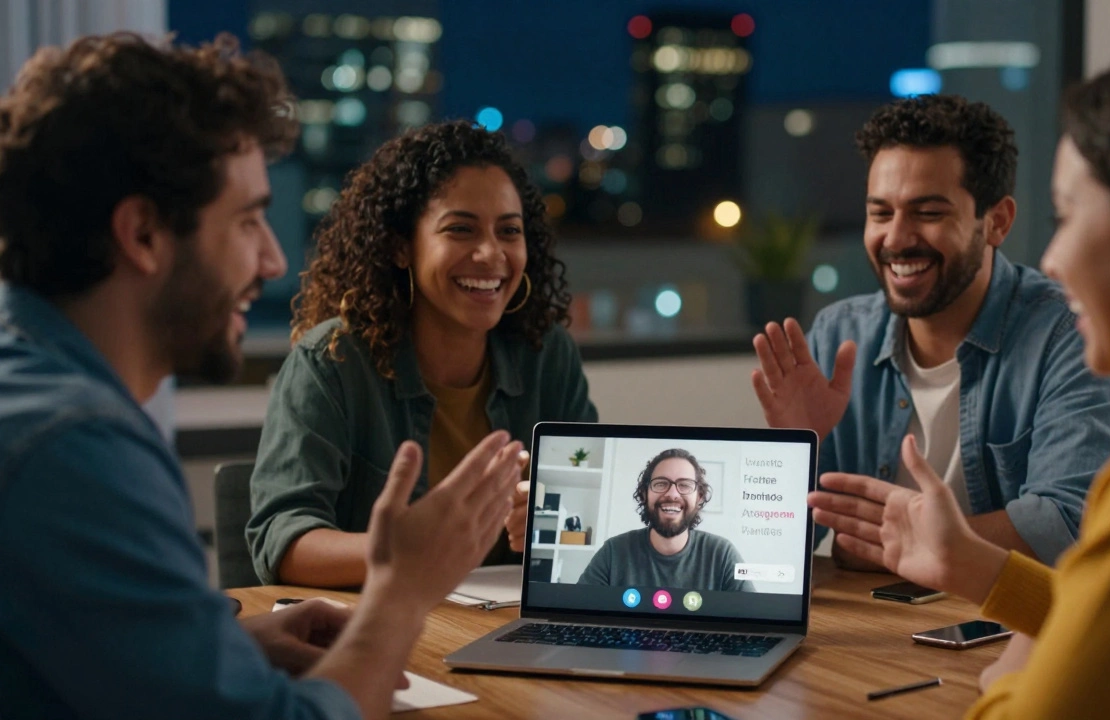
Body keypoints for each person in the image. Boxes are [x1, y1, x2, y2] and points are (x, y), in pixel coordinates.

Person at [0, 33, 524, 720]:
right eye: (248, 221)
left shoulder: (34, 395)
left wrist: (229, 641)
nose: (274, 261)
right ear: (143, 234)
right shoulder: (76, 448)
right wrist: (401, 591)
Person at [810, 34, 1110, 718]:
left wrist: (1013, 669)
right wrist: (978, 568)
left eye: (1068, 215)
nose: (1052, 259)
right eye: (881, 211)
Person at [751, 95, 1110, 567]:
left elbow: (1068, 524)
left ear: (996, 221)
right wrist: (793, 453)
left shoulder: (1071, 332)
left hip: (1013, 625)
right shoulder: (838, 335)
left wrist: (909, 544)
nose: (895, 238)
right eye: (880, 213)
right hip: (871, 628)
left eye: (928, 213)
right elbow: (774, 558)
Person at [246, 120, 597, 587]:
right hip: (374, 633)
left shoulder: (545, 353)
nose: (491, 254)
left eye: (509, 231)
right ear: (400, 247)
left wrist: (560, 520)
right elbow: (281, 542)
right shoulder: (332, 361)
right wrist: (404, 547)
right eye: (461, 230)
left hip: (500, 627)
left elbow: (590, 501)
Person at [579, 449, 754, 592]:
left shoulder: (722, 554)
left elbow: (751, 618)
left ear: (699, 497)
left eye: (684, 485)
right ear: (644, 494)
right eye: (661, 483)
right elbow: (580, 613)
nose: (672, 493)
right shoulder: (613, 552)